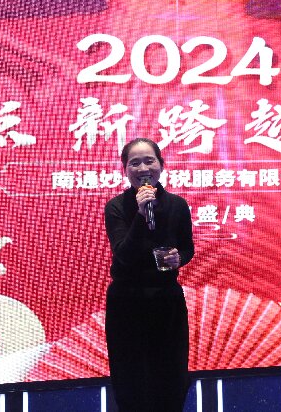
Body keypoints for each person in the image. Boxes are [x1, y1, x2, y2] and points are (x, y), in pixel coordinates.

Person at [104, 138, 195, 411]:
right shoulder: (116, 207)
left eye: (149, 161)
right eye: (134, 163)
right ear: (125, 170)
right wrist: (141, 215)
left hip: (167, 300)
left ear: (161, 165)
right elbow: (124, 254)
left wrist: (180, 258)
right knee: (131, 379)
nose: (143, 168)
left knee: (171, 375)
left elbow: (187, 247)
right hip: (127, 302)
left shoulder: (178, 205)